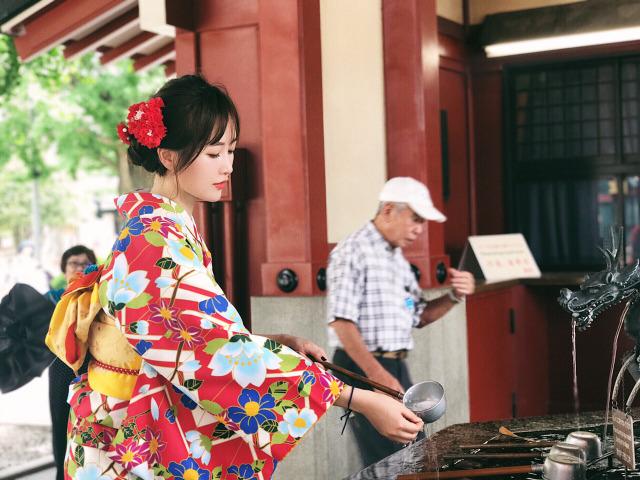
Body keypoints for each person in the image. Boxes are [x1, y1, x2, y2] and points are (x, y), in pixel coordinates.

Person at [45, 75, 422, 480]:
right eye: (213, 153)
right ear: (169, 156)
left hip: (130, 430)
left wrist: (273, 343)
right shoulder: (154, 243)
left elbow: (193, 340)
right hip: (126, 445)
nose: (227, 166)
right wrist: (356, 399)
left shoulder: (163, 231)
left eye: (231, 150)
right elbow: (214, 352)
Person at [326, 176, 476, 467]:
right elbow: (341, 323)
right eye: (415, 220)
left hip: (393, 367)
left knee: (413, 453)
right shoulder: (352, 251)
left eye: (423, 223)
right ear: (388, 210)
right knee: (391, 460)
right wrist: (378, 376)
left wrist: (455, 296)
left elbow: (419, 315)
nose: (419, 230)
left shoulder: (398, 261)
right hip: (363, 367)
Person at [45, 245, 97, 480]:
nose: (79, 267)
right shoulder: (51, 300)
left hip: (91, 370)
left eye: (85, 263)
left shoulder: (97, 296)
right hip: (60, 369)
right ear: (64, 270)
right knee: (60, 422)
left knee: (88, 427)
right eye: (73, 263)